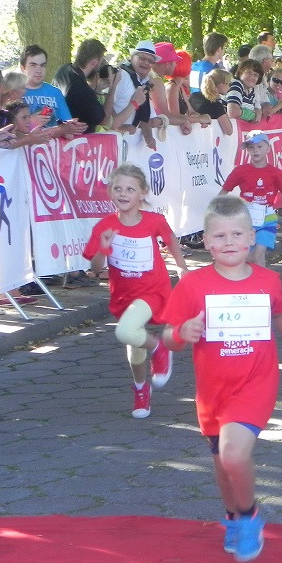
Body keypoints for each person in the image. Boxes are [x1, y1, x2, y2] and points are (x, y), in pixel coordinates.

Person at [161, 194, 282, 563]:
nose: (228, 242)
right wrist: (183, 331)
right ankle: (233, 515)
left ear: (251, 237)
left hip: (256, 382)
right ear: (206, 240)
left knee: (234, 453)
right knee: (221, 462)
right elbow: (169, 339)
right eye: (219, 236)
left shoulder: (268, 280)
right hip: (213, 391)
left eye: (236, 234)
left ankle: (249, 516)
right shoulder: (193, 285)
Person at [82, 164, 188, 418]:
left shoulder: (154, 221)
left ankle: (159, 348)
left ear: (142, 193)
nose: (123, 193)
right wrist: (104, 249)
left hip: (152, 290)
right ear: (110, 192)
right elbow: (95, 267)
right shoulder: (104, 226)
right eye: (117, 188)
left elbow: (171, 240)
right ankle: (141, 390)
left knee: (125, 332)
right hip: (123, 295)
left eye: (130, 189)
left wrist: (182, 268)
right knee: (133, 342)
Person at [219, 132, 282, 265]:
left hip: (268, 218)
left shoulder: (275, 173)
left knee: (258, 254)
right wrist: (214, 213)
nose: (255, 150)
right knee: (248, 257)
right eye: (251, 147)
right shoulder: (240, 171)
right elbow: (223, 192)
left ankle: (262, 284)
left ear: (268, 149)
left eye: (259, 147)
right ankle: (255, 282)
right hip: (245, 219)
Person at [53, 38, 108, 132]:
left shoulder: (63, 70)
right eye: (100, 62)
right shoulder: (80, 88)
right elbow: (102, 120)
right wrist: (113, 88)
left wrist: (97, 89)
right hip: (77, 143)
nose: (100, 66)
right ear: (94, 62)